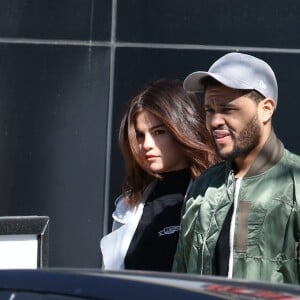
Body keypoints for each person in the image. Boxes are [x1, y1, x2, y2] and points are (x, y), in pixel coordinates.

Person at [172, 52, 300, 284]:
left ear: (266, 109)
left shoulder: (295, 184)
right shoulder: (202, 187)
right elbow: (180, 276)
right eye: (209, 110)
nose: (214, 121)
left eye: (227, 109)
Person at [100, 78, 219, 271]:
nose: (146, 144)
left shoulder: (217, 196)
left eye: (159, 132)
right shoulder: (129, 206)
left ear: (184, 128)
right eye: (140, 135)